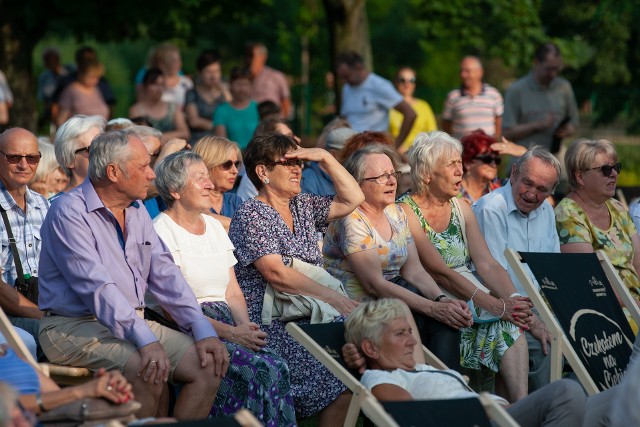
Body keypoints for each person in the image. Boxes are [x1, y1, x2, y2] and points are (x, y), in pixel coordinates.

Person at [37, 129, 229, 420]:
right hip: (72, 328)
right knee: (147, 367)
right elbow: (97, 287)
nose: (152, 174)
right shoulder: (68, 211)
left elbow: (166, 275)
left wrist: (202, 329)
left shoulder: (136, 210)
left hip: (130, 322)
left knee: (208, 365)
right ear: (113, 172)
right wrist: (145, 339)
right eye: (143, 167)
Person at [228, 133, 364, 424]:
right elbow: (276, 274)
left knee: (356, 363)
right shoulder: (252, 213)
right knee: (339, 374)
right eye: (288, 163)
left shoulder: (303, 206)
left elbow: (354, 197)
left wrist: (325, 157)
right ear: (263, 172)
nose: (297, 169)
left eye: (300, 162)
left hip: (310, 312)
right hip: (276, 321)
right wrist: (336, 299)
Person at [153, 151, 295, 425]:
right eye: (200, 179)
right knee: (259, 370)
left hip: (229, 323)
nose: (209, 184)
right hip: (190, 325)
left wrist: (247, 331)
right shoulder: (162, 231)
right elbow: (174, 310)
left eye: (208, 177)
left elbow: (232, 291)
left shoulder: (215, 229)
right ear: (175, 190)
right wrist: (232, 333)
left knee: (278, 365)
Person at [397, 131, 539, 402]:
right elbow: (438, 271)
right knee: (498, 324)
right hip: (439, 297)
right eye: (451, 164)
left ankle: (518, 411)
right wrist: (495, 305)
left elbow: (487, 264)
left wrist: (514, 302)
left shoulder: (461, 206)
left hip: (474, 296)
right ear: (426, 174)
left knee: (510, 330)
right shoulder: (405, 211)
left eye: (460, 162)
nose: (460, 170)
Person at [323, 144, 472, 369]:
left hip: (396, 296)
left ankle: (446, 389)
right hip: (357, 305)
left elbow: (414, 270)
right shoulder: (351, 219)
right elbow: (374, 285)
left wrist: (442, 301)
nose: (393, 181)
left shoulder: (396, 212)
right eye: (383, 177)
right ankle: (422, 385)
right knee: (427, 319)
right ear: (357, 183)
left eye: (393, 174)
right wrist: (432, 308)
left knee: (448, 320)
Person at [345, 298, 592, 427]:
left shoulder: (419, 369)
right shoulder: (381, 379)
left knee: (609, 401)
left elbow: (398, 307)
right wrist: (487, 409)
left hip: (503, 415)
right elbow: (414, 418)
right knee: (566, 390)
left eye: (411, 332)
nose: (412, 341)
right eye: (401, 334)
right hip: (490, 420)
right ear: (370, 347)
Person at [472, 146, 561, 392]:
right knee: (548, 348)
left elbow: (551, 271)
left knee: (587, 338)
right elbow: (494, 277)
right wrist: (533, 320)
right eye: (527, 183)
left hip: (537, 308)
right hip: (496, 308)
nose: (532, 194)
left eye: (542, 189)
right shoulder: (492, 208)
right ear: (513, 174)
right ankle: (544, 415)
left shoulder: (546, 212)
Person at [555, 138, 640, 304]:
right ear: (580, 176)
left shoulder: (617, 208)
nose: (614, 174)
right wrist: (635, 305)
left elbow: (639, 261)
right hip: (606, 309)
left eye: (616, 167)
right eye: (606, 170)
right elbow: (592, 280)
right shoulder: (567, 214)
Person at [0, 128, 47, 358]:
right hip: (6, 317)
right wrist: (43, 317)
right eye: (14, 157)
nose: (23, 165)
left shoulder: (43, 205)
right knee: (50, 336)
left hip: (44, 310)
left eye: (32, 158)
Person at [0, 343, 135, 418]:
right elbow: (6, 406)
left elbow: (58, 399)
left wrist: (104, 387)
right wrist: (82, 391)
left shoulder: (8, 352)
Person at [502, 43, 579, 153]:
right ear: (536, 63)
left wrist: (567, 130)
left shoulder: (564, 87)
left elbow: (574, 124)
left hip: (555, 156)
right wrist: (537, 125)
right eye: (549, 69)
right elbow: (506, 133)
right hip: (524, 157)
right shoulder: (516, 90)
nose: (553, 74)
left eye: (557, 69)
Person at [335, 51, 416, 150]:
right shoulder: (347, 88)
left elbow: (410, 114)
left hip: (372, 150)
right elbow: (344, 118)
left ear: (358, 67)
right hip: (349, 149)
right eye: (342, 77)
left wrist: (395, 146)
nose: (344, 81)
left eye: (347, 76)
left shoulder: (379, 86)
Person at [442, 56, 503, 140]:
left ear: (480, 72)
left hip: (488, 151)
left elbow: (498, 124)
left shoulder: (494, 94)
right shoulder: (453, 96)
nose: (463, 75)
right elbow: (446, 125)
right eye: (461, 71)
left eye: (467, 71)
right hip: (461, 151)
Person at [50, 114, 105, 203]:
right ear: (69, 160)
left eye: (103, 146)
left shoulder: (118, 201)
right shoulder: (54, 207)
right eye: (92, 149)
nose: (101, 153)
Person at [192, 136, 243, 229]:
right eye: (227, 164)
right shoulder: (191, 199)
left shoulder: (234, 201)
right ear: (207, 165)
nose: (235, 170)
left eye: (237, 164)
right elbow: (204, 217)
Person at [129, 68, 190, 143]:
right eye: (154, 84)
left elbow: (185, 133)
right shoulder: (136, 110)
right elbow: (139, 136)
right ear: (145, 86)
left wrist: (158, 137)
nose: (159, 88)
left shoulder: (172, 106)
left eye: (161, 84)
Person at [185, 50, 231, 145]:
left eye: (217, 71)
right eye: (209, 72)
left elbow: (232, 115)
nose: (213, 76)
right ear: (200, 73)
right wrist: (219, 125)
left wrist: (225, 92)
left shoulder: (226, 92)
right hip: (199, 141)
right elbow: (194, 121)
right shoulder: (192, 93)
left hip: (223, 140)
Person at [389, 67, 437, 154]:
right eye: (402, 80)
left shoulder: (424, 106)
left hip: (421, 155)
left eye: (411, 80)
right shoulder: (389, 108)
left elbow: (433, 134)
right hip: (396, 155)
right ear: (396, 82)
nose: (407, 84)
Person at [213, 67, 259, 150]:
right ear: (230, 85)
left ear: (251, 86)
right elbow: (222, 142)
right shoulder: (221, 110)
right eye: (238, 84)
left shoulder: (258, 108)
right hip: (233, 158)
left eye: (246, 84)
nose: (242, 89)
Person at [55, 58, 110, 127]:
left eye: (97, 78)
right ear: (81, 74)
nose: (95, 81)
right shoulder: (71, 90)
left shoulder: (96, 89)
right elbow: (62, 116)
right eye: (91, 77)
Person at [245, 43, 291, 118]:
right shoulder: (243, 78)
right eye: (247, 56)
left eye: (252, 56)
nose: (248, 59)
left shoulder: (276, 76)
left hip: (271, 122)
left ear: (263, 57)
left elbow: (285, 102)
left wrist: (283, 123)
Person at [459, 130, 503, 203]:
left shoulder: (500, 190)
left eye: (497, 160)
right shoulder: (451, 192)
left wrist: (522, 153)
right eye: (487, 159)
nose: (493, 164)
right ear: (468, 163)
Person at [154, 42, 193, 107]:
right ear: (162, 63)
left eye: (179, 60)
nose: (179, 63)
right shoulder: (153, 84)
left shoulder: (187, 83)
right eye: (174, 61)